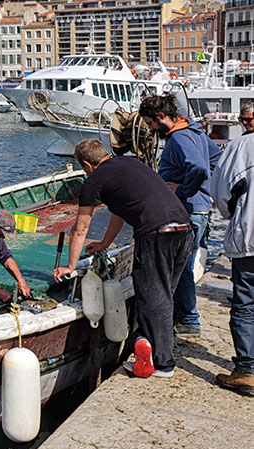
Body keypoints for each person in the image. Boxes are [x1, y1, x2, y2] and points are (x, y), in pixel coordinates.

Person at [53, 139, 192, 378]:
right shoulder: (130, 163)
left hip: (156, 235)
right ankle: (148, 344)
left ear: (87, 165)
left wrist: (70, 265)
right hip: (184, 229)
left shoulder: (93, 181)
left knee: (152, 297)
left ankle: (162, 364)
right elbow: (119, 212)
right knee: (165, 295)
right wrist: (105, 244)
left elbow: (80, 228)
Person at [139, 94, 222, 338]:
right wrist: (208, 190)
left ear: (161, 117)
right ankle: (186, 316)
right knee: (184, 262)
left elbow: (198, 167)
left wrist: (184, 190)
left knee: (181, 265)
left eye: (151, 123)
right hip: (198, 208)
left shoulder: (180, 137)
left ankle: (188, 319)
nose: (151, 129)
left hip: (187, 210)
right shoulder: (195, 131)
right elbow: (216, 160)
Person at [209, 105, 254, 396]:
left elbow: (222, 192)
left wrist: (233, 215)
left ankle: (247, 370)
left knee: (246, 304)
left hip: (250, 236)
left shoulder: (241, 146)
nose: (244, 122)